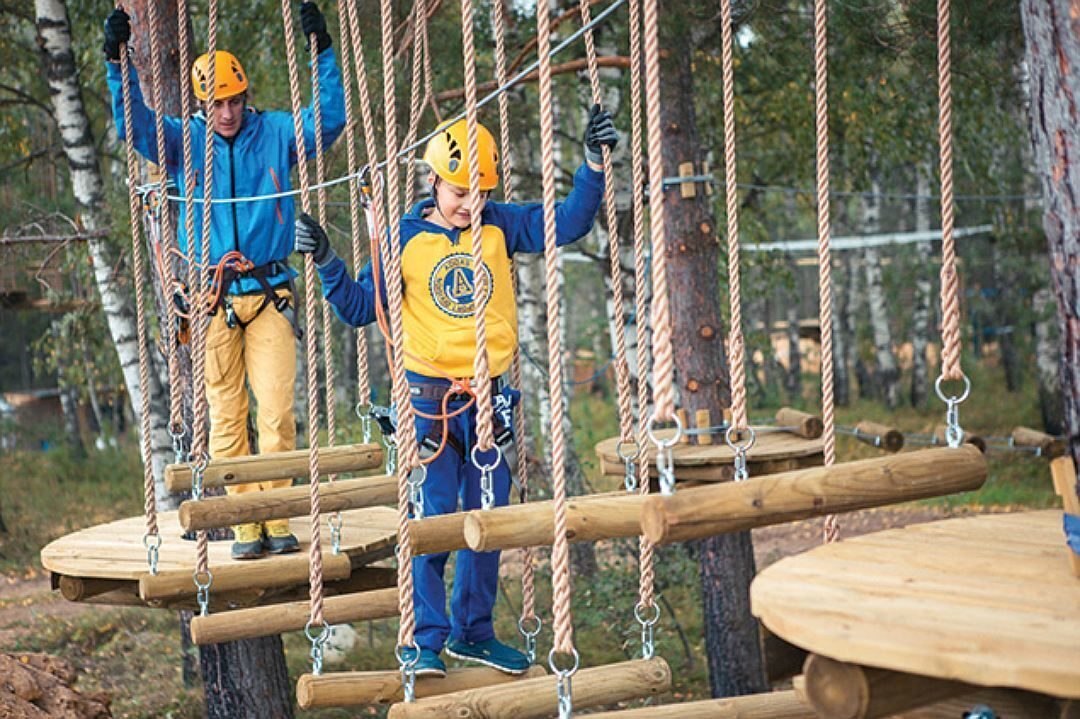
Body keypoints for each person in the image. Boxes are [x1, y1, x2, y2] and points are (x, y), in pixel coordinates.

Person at [295, 107, 619, 675]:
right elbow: (355, 309)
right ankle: (425, 639)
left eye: (480, 192)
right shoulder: (404, 239)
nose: (470, 203)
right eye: (460, 191)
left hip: (489, 400)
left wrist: (592, 165)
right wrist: (326, 260)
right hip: (428, 404)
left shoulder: (500, 224)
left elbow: (569, 221)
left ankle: (472, 632)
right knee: (434, 520)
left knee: (487, 519)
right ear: (435, 182)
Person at [103, 3, 346, 560]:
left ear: (246, 97)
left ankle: (276, 517)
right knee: (226, 416)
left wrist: (322, 51)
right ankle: (244, 528)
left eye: (235, 101)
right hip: (214, 299)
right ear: (202, 104)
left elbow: (329, 122)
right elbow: (133, 126)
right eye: (217, 104)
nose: (228, 113)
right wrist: (117, 65)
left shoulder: (277, 132)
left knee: (277, 412)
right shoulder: (183, 142)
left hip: (269, 293)